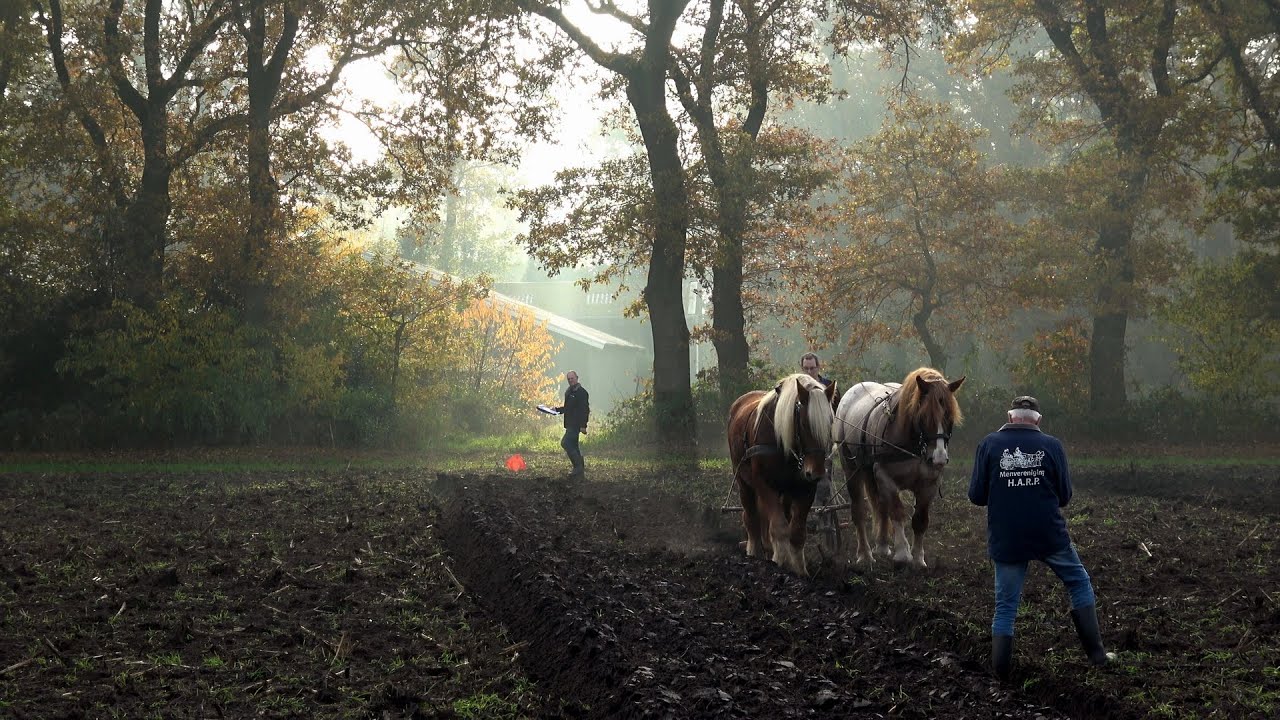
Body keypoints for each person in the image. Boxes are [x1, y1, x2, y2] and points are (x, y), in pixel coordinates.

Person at [968, 395, 1112, 681]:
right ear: (1038, 421)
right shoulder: (1052, 446)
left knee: (1006, 605)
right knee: (1078, 581)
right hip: (1049, 534)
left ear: (1010, 418)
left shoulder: (989, 444)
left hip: (1007, 537)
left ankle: (1000, 673)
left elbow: (976, 496)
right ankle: (1097, 655)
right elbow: (1065, 496)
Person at [800, 352, 837, 507]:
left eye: (812, 368)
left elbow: (837, 412)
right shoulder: (797, 388)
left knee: (823, 481)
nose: (809, 372)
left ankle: (822, 515)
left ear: (818, 367)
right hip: (803, 444)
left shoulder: (829, 387)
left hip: (823, 444)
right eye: (806, 368)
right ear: (801, 368)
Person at [554, 370, 590, 478]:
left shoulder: (582, 393)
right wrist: (556, 410)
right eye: (568, 379)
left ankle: (578, 468)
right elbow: (567, 408)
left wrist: (583, 425)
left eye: (572, 378)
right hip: (569, 424)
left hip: (576, 424)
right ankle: (580, 471)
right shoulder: (569, 392)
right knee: (574, 446)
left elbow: (585, 410)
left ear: (577, 378)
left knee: (565, 443)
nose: (570, 380)